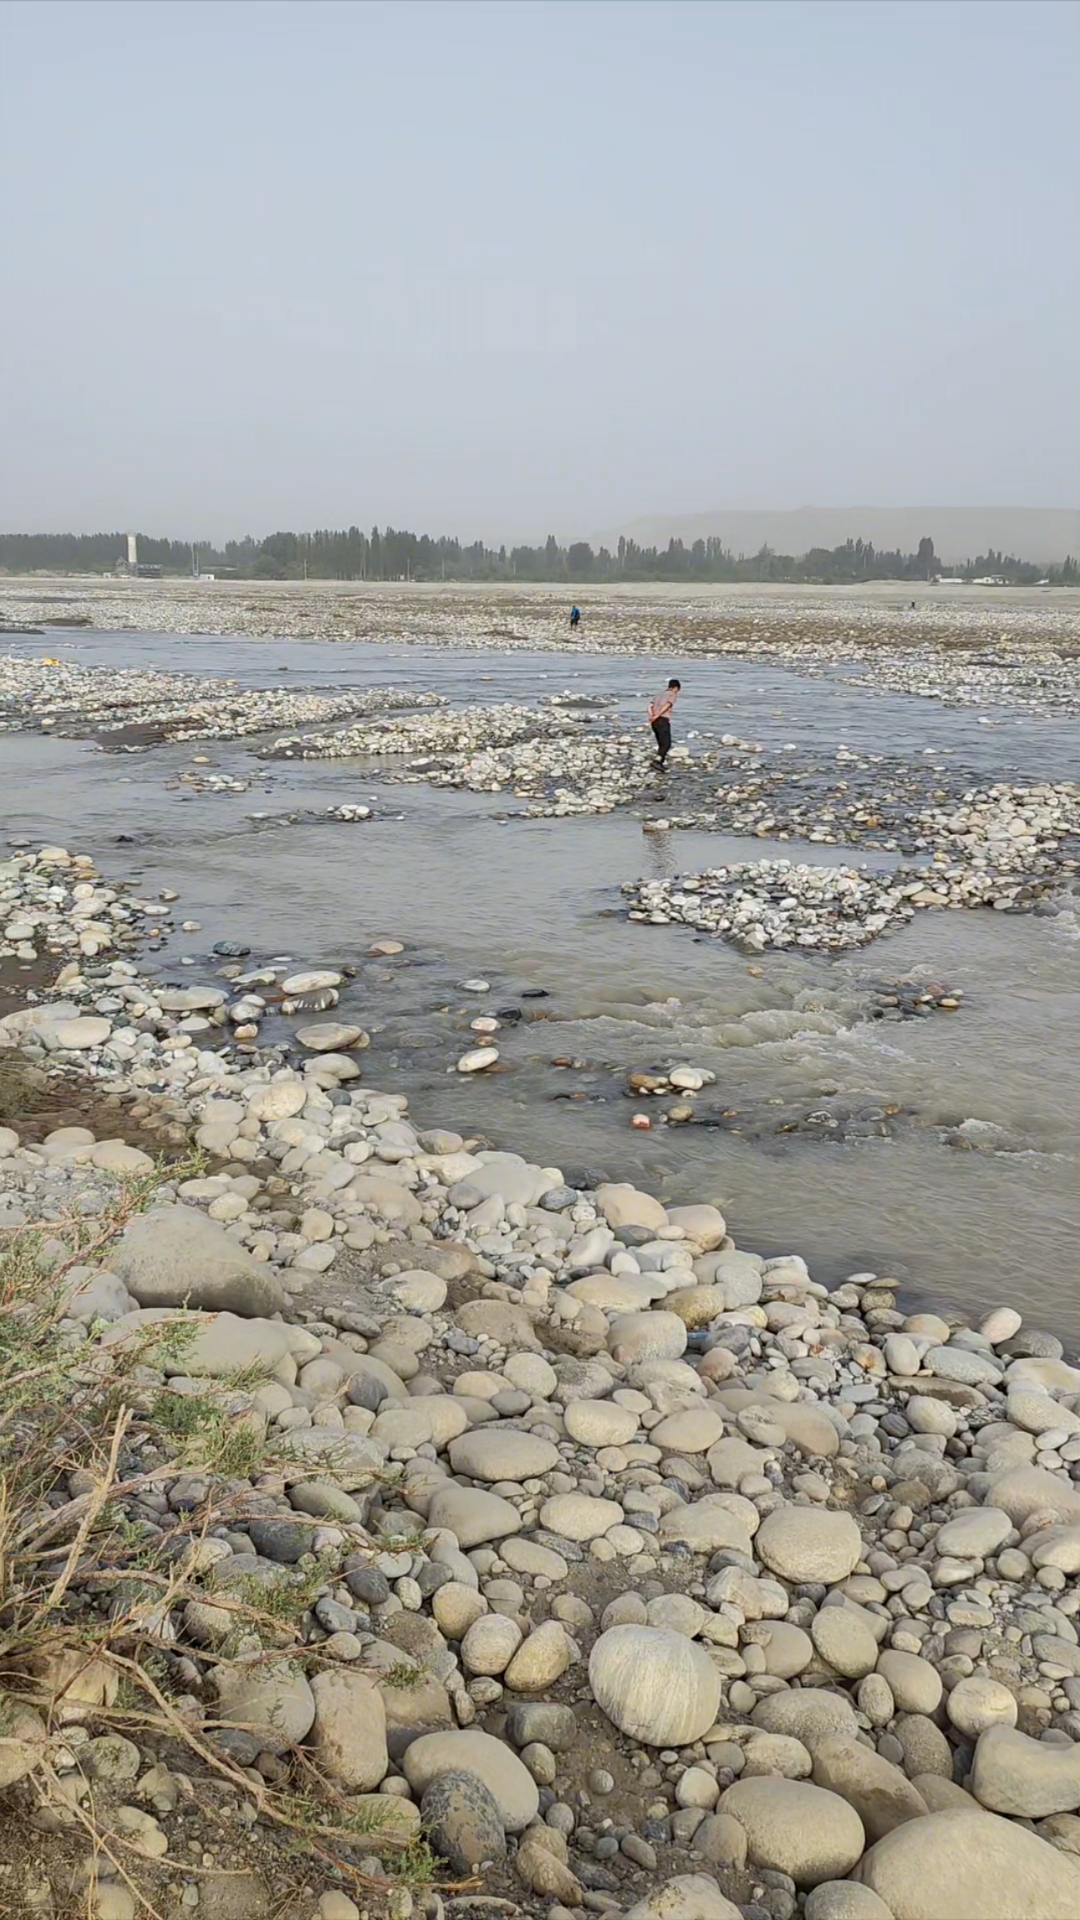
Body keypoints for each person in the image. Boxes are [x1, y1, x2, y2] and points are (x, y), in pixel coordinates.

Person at [648, 677, 681, 766]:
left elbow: (650, 706)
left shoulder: (659, 695)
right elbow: (667, 705)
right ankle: (657, 761)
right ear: (676, 688)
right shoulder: (672, 694)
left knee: (661, 743)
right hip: (662, 719)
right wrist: (658, 715)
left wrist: (652, 716)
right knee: (666, 744)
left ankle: (660, 762)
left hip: (654, 721)